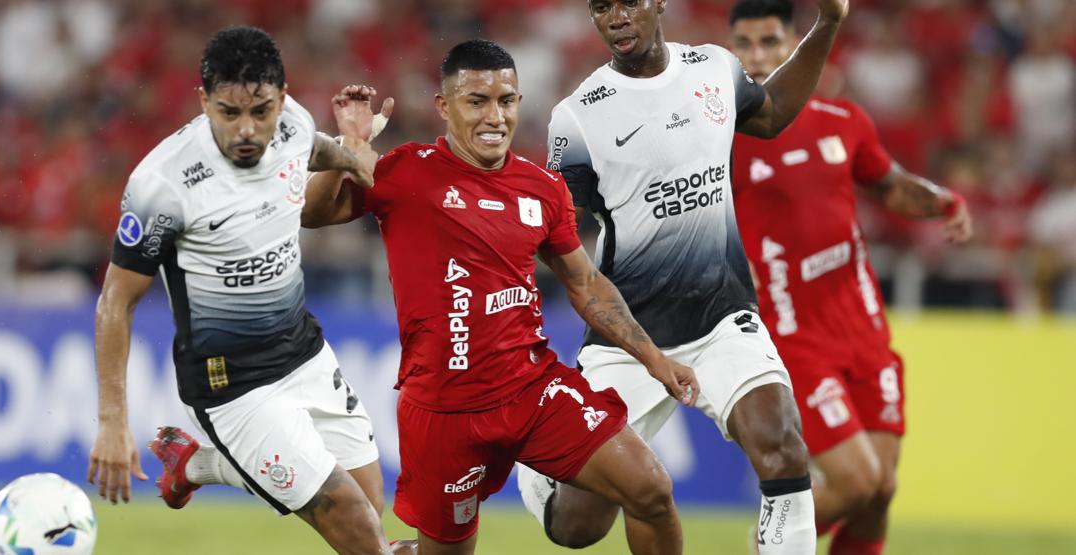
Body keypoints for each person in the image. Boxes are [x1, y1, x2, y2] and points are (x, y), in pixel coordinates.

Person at [303, 39, 700, 555]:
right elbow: (313, 213)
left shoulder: (543, 188)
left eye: (506, 101)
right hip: (444, 413)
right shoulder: (406, 171)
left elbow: (585, 284)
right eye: (477, 102)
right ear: (445, 106)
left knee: (651, 490)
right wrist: (346, 152)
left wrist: (654, 358)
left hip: (532, 390)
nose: (495, 116)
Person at [515, 0, 849, 553]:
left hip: (722, 320)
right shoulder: (576, 118)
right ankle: (542, 473)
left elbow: (769, 117)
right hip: (630, 339)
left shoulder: (714, 67)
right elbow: (556, 234)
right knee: (578, 526)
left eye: (629, 2)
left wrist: (828, 23)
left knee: (784, 449)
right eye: (602, 7)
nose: (617, 17)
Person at [85, 26, 404, 555]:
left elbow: (309, 157)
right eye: (228, 113)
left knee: (371, 507)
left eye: (261, 111)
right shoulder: (162, 185)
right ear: (203, 101)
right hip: (230, 385)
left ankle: (196, 465)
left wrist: (350, 151)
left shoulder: (294, 124)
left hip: (303, 352)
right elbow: (116, 301)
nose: (247, 130)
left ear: (282, 98)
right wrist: (112, 421)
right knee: (356, 527)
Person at [727, 2, 972, 553]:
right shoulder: (724, 137)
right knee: (856, 481)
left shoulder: (845, 121)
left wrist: (942, 200)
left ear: (796, 44)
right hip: (795, 335)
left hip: (863, 328)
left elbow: (892, 185)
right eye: (744, 44)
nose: (758, 56)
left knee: (881, 491)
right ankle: (765, 544)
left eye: (770, 41)